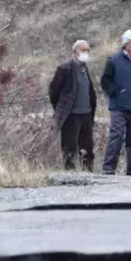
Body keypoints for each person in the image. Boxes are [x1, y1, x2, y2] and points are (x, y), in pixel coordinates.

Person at [100, 29, 131, 176]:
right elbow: (105, 81)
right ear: (128, 43)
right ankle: (108, 169)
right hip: (119, 107)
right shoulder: (114, 60)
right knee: (116, 136)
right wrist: (115, 93)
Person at [48, 39, 97, 171]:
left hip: (86, 115)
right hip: (71, 116)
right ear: (75, 52)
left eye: (87, 50)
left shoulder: (84, 68)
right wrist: (62, 108)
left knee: (87, 149)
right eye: (83, 50)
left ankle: (88, 175)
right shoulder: (65, 69)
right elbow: (54, 92)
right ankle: (70, 178)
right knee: (69, 149)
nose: (86, 53)